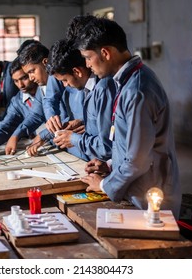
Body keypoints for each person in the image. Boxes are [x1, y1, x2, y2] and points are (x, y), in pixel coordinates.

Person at [76, 17, 181, 218]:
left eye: (88, 57)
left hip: (150, 195)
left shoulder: (137, 90)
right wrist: (109, 165)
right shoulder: (125, 82)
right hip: (137, 188)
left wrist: (105, 184)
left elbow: (138, 161)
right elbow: (129, 143)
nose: (87, 64)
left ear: (105, 53)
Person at [46, 38, 116, 161]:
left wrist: (73, 139)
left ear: (77, 72)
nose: (65, 86)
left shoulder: (103, 89)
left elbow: (107, 146)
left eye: (65, 80)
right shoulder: (87, 89)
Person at [19, 42, 88, 161]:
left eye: (32, 71)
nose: (30, 78)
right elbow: (48, 101)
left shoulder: (76, 83)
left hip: (86, 149)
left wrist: (44, 135)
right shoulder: (47, 84)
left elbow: (75, 120)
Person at [0, 57, 45, 157]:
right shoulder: (17, 101)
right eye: (15, 81)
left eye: (24, 78)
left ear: (31, 74)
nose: (20, 85)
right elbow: (6, 123)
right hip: (40, 146)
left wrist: (17, 135)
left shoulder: (47, 91)